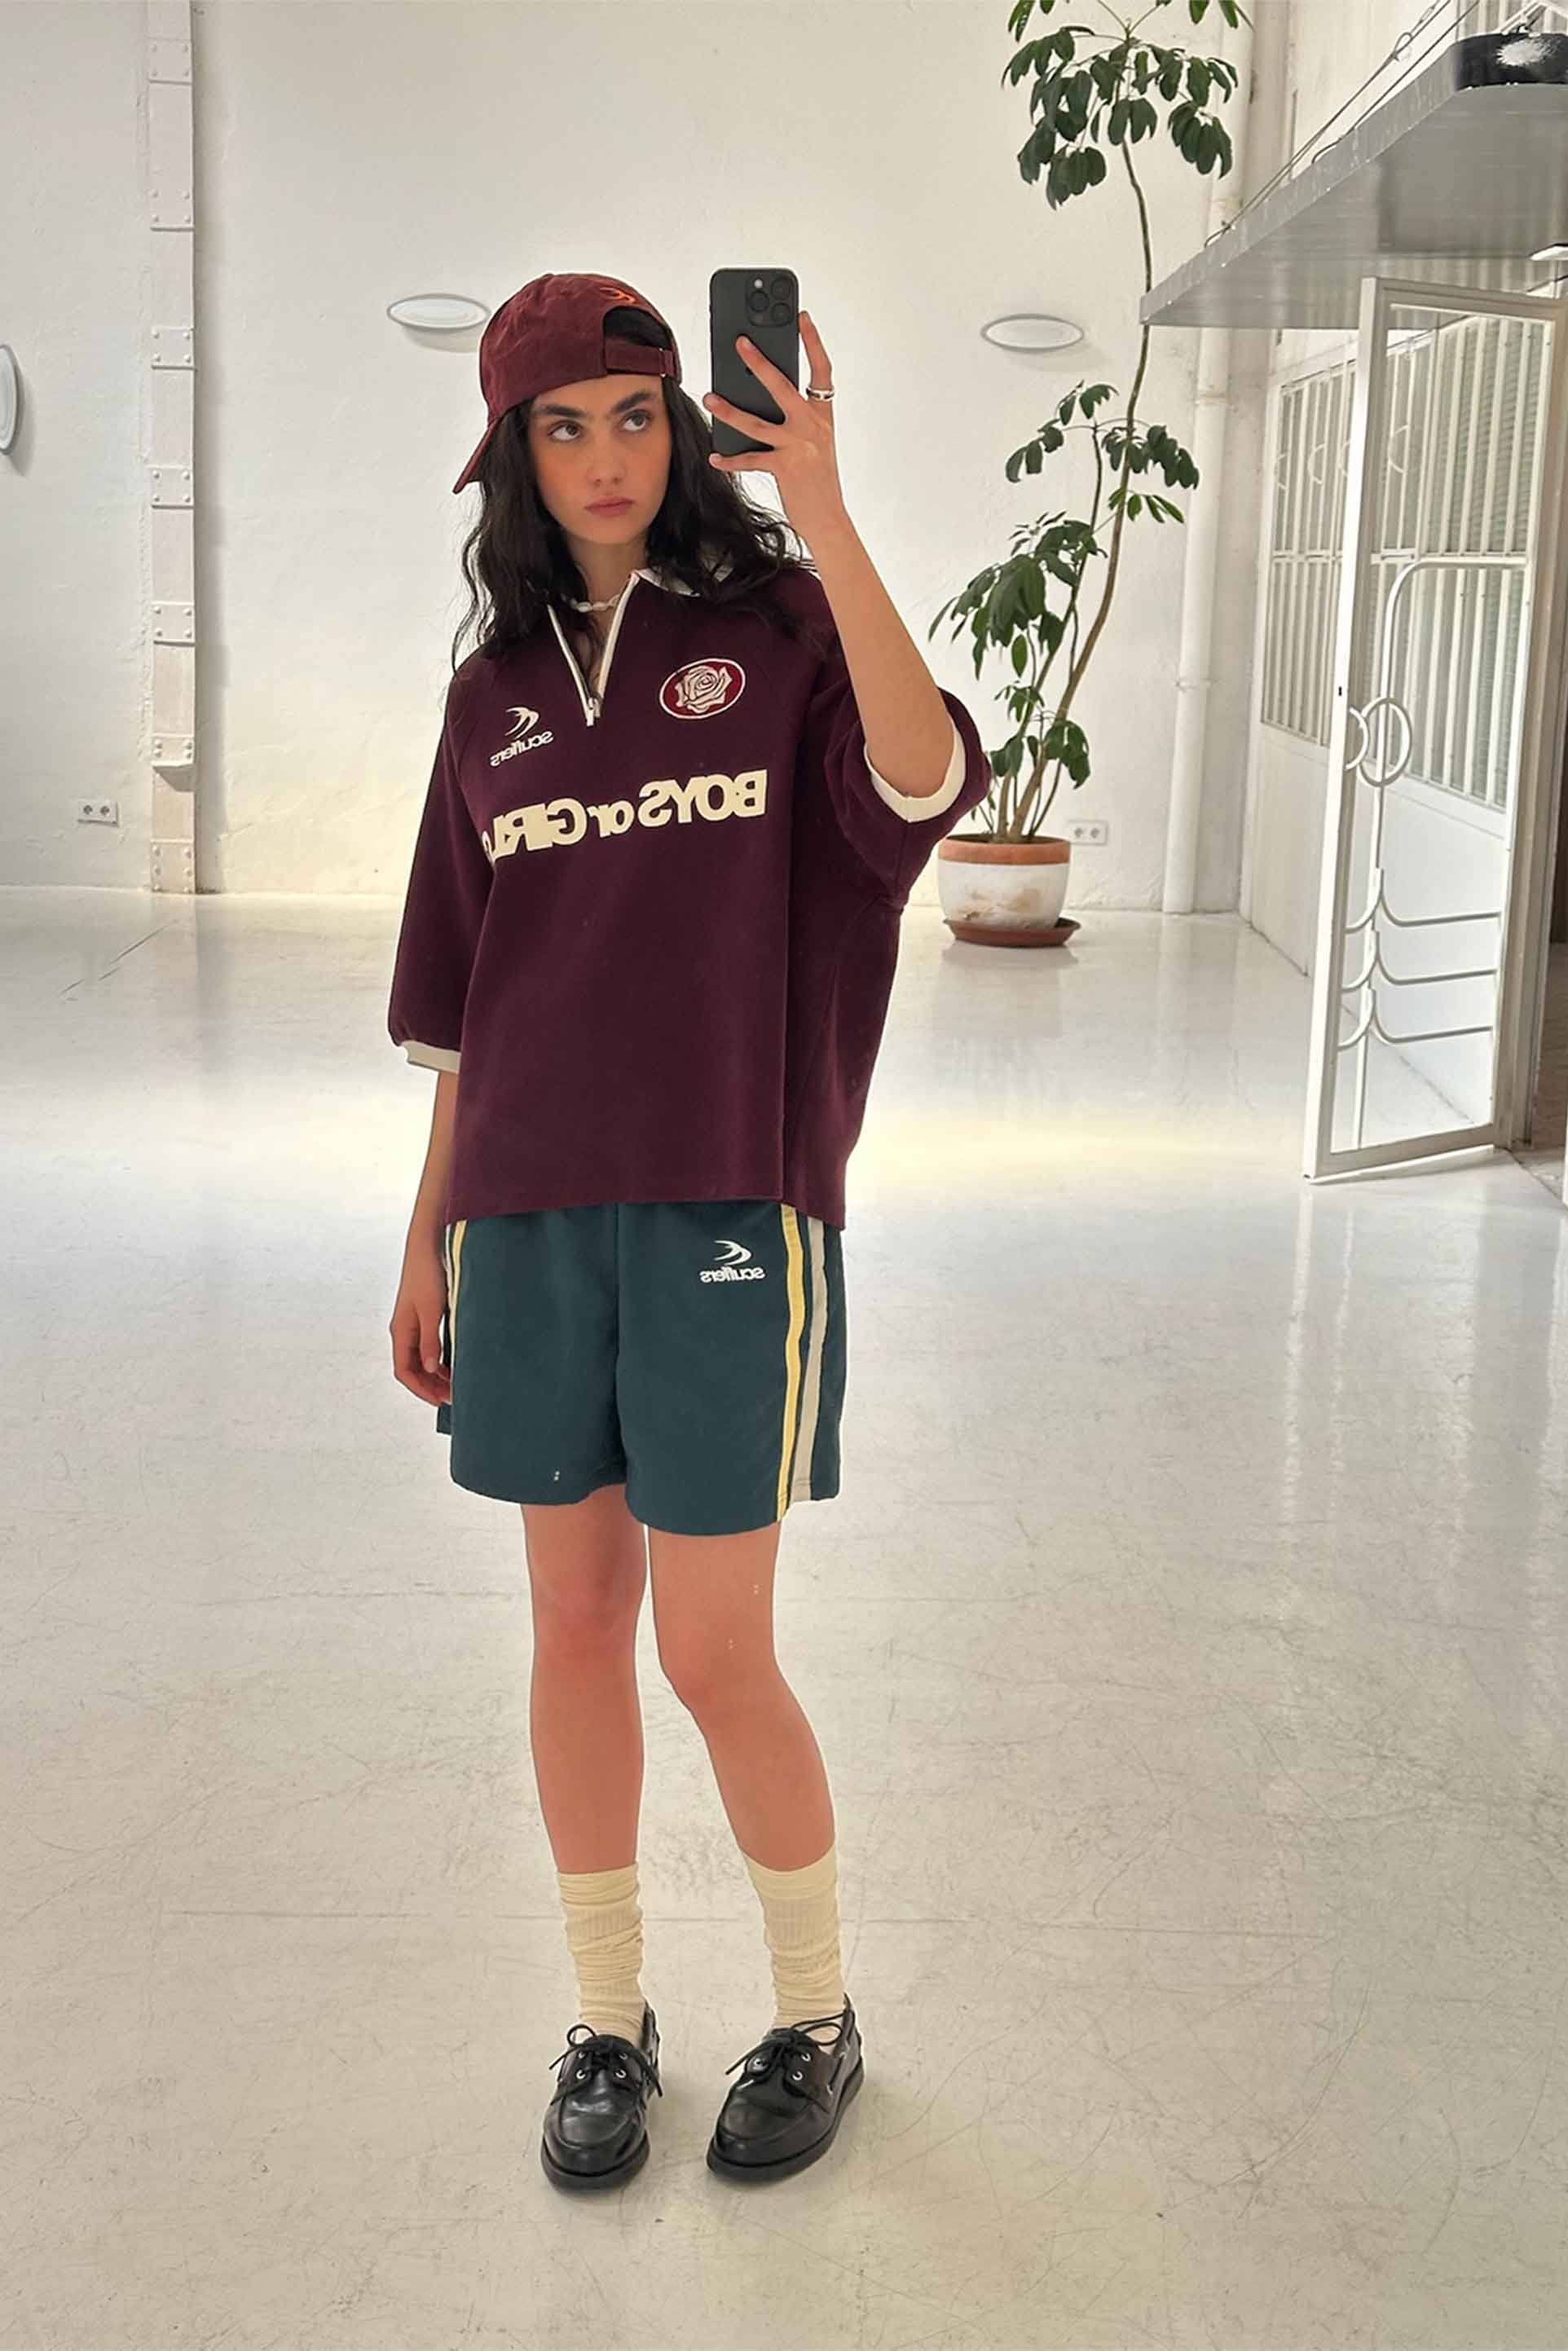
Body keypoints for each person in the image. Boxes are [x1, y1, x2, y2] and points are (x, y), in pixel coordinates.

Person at [385, 271, 993, 2191]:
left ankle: (813, 2015)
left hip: (731, 1200)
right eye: (561, 426)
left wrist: (822, 503)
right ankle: (603, 2017)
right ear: (512, 455)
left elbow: (922, 780)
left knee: (714, 1650)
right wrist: (426, 1237)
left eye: (633, 415)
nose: (604, 459)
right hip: (523, 1217)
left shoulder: (780, 629)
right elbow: (462, 1006)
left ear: (679, 427)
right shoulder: (489, 699)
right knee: (573, 1622)